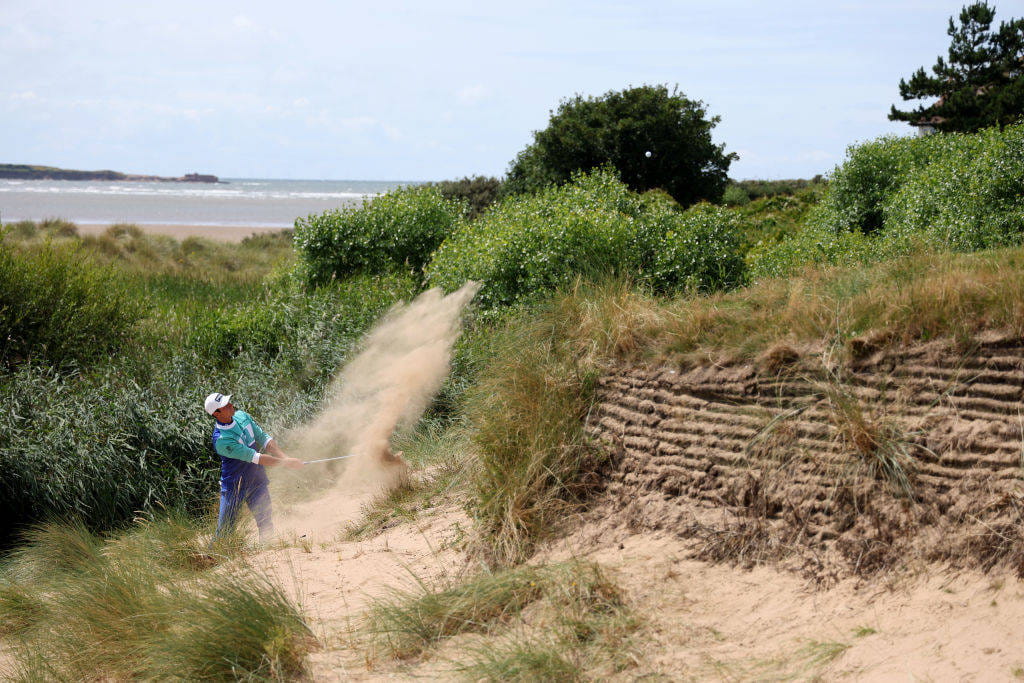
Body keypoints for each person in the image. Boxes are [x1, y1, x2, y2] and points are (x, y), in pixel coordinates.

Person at [204, 392, 303, 542]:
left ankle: (267, 551)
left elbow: (264, 439)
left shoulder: (242, 416)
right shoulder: (221, 440)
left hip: (257, 480)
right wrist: (285, 464)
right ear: (216, 413)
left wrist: (285, 458)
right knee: (225, 530)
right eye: (225, 405)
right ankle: (210, 560)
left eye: (229, 402)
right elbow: (256, 458)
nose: (231, 405)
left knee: (265, 522)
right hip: (234, 486)